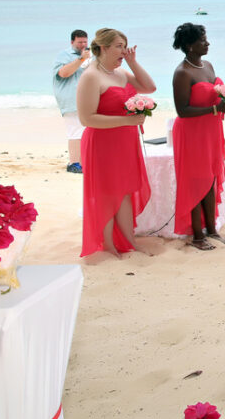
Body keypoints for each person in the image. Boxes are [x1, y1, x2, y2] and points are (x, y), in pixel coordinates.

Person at [76, 28, 156, 257]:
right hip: (102, 143)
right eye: (119, 46)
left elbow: (149, 87)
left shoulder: (120, 72)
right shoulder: (91, 76)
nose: (124, 50)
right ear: (103, 47)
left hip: (125, 142)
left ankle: (129, 242)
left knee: (125, 192)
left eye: (125, 46)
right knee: (106, 193)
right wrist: (126, 120)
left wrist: (132, 63)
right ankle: (108, 245)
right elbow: (86, 118)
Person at [171, 23, 225, 250]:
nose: (207, 43)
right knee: (196, 180)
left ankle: (212, 229)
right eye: (203, 40)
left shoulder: (208, 65)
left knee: (211, 179)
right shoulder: (182, 73)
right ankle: (197, 236)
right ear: (189, 45)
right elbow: (182, 110)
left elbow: (213, 95)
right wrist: (216, 110)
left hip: (211, 130)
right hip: (191, 132)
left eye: (206, 39)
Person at [53, 29, 90, 173]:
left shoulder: (89, 56)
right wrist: (81, 59)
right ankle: (74, 163)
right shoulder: (64, 55)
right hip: (70, 98)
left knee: (86, 130)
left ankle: (85, 161)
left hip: (85, 99)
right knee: (75, 131)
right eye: (80, 42)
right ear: (72, 42)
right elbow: (64, 73)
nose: (83, 45)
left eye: (85, 42)